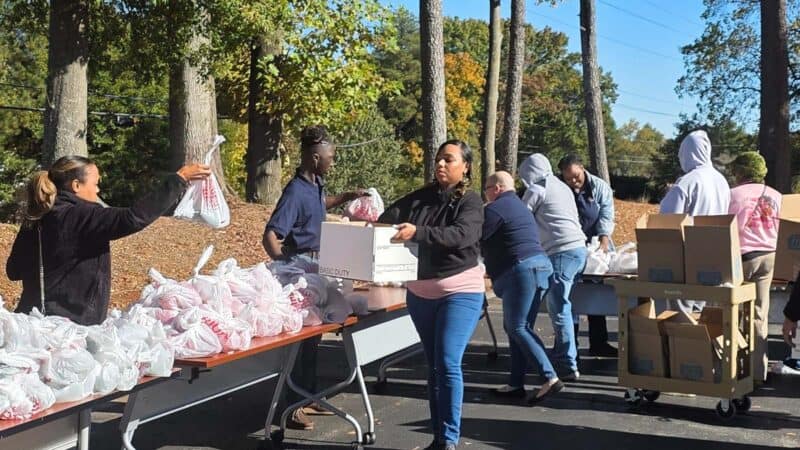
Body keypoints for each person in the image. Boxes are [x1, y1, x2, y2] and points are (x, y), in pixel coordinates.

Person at [6, 155, 211, 325]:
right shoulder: (83, 216)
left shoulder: (37, 218)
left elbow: (14, 270)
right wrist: (179, 179)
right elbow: (133, 218)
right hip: (70, 326)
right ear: (76, 185)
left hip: (30, 321)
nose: (98, 191)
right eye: (95, 184)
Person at [379, 140, 484, 450]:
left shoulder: (471, 202)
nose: (440, 164)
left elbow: (462, 235)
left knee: (448, 362)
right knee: (434, 366)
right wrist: (360, 220)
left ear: (464, 167)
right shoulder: (421, 198)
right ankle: (439, 438)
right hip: (420, 295)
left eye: (448, 160)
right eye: (438, 159)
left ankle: (449, 440)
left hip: (460, 292)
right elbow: (387, 216)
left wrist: (418, 233)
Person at [262, 125, 367, 430]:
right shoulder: (295, 190)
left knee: (313, 338)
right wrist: (287, 265)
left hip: (320, 266)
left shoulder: (316, 185)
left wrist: (345, 197)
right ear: (313, 157)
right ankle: (290, 408)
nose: (332, 162)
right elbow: (271, 235)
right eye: (329, 157)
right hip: (302, 268)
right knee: (300, 342)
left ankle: (307, 396)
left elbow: (319, 206)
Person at [483, 171, 564, 404]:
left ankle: (549, 377)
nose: (486, 194)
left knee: (516, 326)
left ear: (497, 188)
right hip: (541, 268)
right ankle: (516, 383)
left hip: (520, 270)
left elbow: (474, 238)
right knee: (520, 327)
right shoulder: (520, 208)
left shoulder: (496, 209)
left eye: (487, 189)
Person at [519, 153, 587, 381]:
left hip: (561, 252)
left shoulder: (538, 189)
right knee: (568, 307)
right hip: (579, 249)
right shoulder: (561, 186)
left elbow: (520, 218)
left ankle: (567, 364)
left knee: (559, 308)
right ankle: (565, 355)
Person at [660, 129, 730, 313]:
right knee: (704, 311)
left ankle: (683, 342)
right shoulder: (721, 180)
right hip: (716, 252)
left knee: (681, 311)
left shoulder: (687, 181)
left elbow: (668, 220)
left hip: (687, 254)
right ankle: (703, 342)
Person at [728, 152, 781, 383]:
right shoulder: (776, 195)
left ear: (741, 171)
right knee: (760, 313)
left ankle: (735, 371)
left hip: (742, 257)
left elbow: (723, 227)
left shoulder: (733, 194)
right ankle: (758, 372)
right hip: (769, 255)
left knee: (734, 312)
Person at [558, 154, 618, 358]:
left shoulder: (600, 187)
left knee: (596, 293)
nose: (573, 181)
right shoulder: (561, 190)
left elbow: (607, 214)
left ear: (582, 168)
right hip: (571, 245)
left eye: (576, 176)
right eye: (568, 179)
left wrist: (603, 239)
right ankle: (569, 345)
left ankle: (599, 342)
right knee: (571, 296)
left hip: (596, 244)